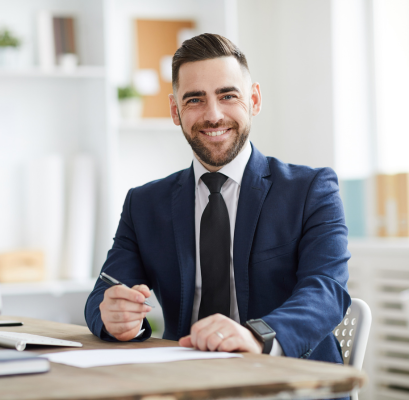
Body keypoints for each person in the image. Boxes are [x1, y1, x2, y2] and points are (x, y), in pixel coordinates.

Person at [85, 33, 350, 365]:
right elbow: (103, 293)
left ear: (254, 100)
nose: (213, 115)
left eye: (228, 96)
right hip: (188, 381)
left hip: (288, 379)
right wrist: (112, 316)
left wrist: (256, 337)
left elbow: (326, 292)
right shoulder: (144, 204)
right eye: (194, 99)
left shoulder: (311, 190)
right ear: (174, 110)